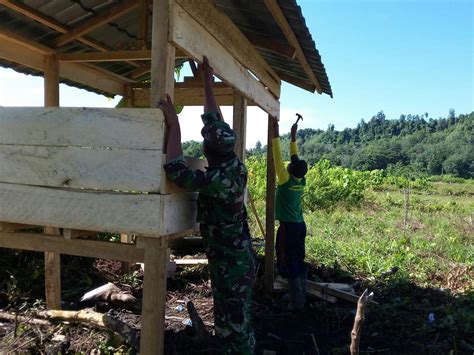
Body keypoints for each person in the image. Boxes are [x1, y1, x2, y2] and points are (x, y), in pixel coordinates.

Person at [159, 56, 255, 354]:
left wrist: (173, 125)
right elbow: (215, 122)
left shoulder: (217, 178)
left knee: (232, 325)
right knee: (236, 317)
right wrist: (207, 83)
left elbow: (175, 170)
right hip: (236, 256)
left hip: (230, 262)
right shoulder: (234, 164)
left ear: (208, 151)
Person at [271, 118, 308, 311]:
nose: (288, 163)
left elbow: (277, 157)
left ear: (291, 170)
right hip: (300, 226)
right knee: (299, 259)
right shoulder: (300, 181)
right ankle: (301, 296)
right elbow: (294, 157)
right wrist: (293, 136)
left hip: (289, 228)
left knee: (288, 260)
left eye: (290, 164)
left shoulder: (285, 180)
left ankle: (296, 303)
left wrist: (276, 133)